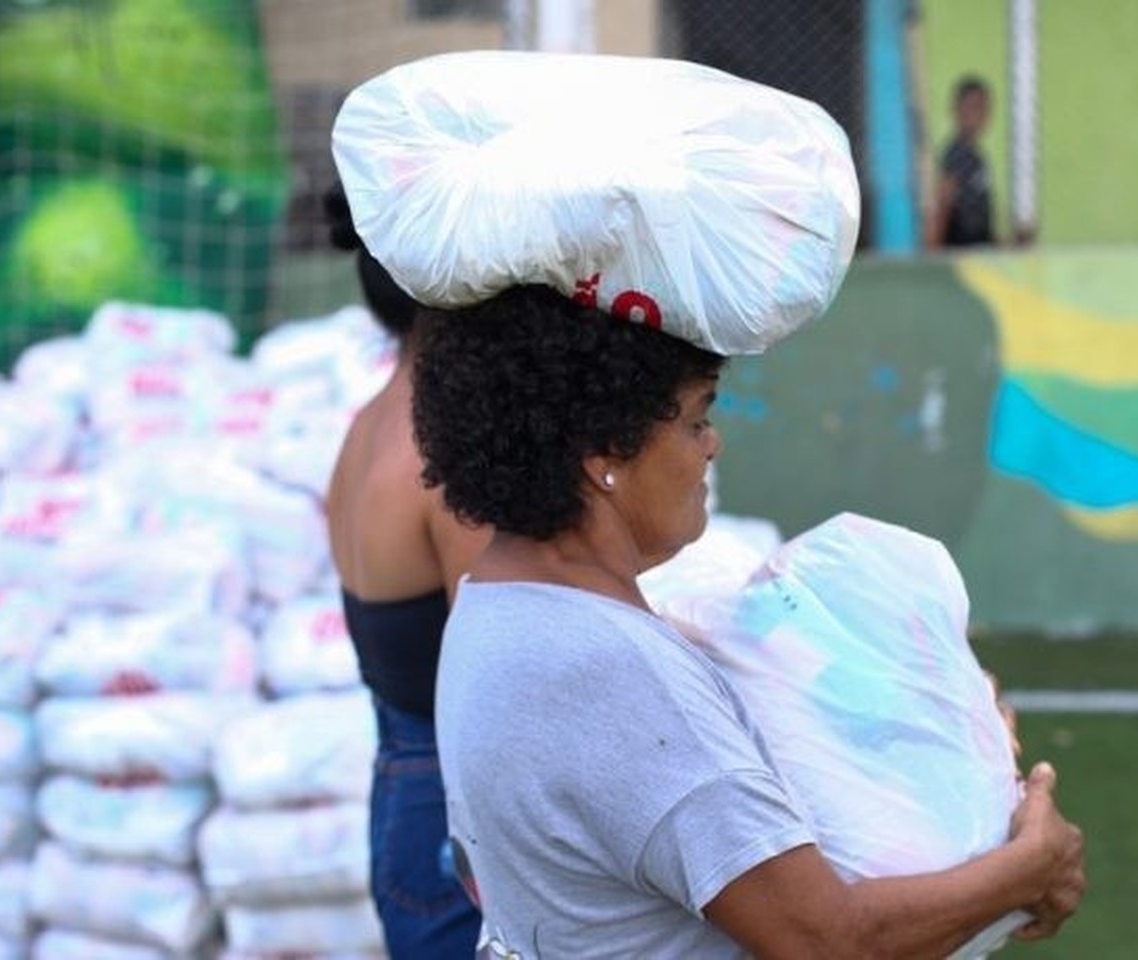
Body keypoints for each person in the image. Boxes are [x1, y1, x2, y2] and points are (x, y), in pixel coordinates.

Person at [415, 283, 1086, 958]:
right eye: (694, 420)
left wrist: (940, 726)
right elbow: (831, 943)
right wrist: (1033, 865)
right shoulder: (614, 668)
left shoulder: (495, 599)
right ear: (605, 456)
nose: (713, 445)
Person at [323, 182, 489, 958]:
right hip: (455, 815)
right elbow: (503, 669)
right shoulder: (441, 452)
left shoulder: (367, 426)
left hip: (403, 788)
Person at [928, 75, 999, 249]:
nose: (977, 114)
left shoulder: (977, 157)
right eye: (971, 107)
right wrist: (933, 250)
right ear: (957, 110)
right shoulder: (957, 154)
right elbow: (943, 202)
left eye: (982, 108)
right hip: (961, 249)